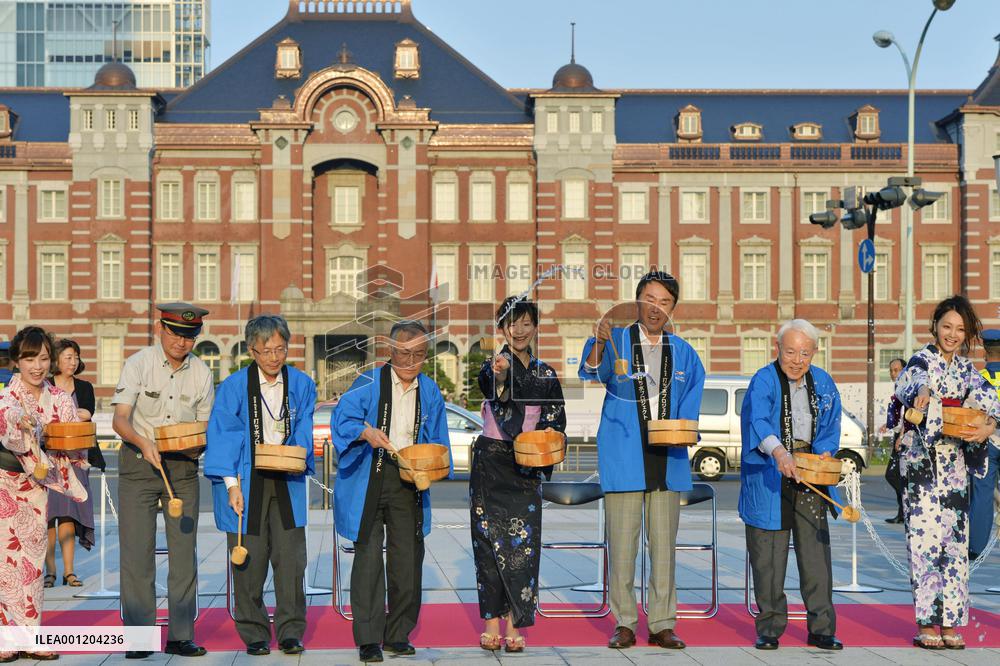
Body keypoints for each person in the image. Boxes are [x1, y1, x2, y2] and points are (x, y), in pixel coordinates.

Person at [578, 271, 705, 651]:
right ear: (637, 302)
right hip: (624, 455)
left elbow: (692, 399)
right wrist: (599, 342)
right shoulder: (616, 339)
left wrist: (681, 430)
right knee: (622, 546)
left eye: (665, 302)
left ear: (673, 309)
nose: (656, 308)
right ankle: (625, 623)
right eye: (650, 299)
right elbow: (589, 371)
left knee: (663, 546)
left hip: (667, 457)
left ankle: (663, 623)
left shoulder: (684, 352)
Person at [331, 320, 451, 664]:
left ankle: (398, 635)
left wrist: (434, 462)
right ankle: (369, 639)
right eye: (403, 353)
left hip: (407, 480)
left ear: (426, 356)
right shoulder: (368, 382)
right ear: (390, 351)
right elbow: (344, 418)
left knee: (407, 561)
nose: (410, 361)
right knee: (368, 561)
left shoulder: (429, 390)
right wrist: (364, 433)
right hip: (369, 477)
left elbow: (438, 439)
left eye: (418, 355)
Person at [205, 315, 316, 656]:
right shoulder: (235, 387)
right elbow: (223, 435)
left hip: (287, 478)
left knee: (291, 560)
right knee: (248, 561)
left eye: (280, 348)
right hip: (246, 479)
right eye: (266, 350)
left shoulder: (301, 383)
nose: (274, 356)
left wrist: (294, 456)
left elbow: (305, 426)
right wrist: (230, 485)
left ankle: (290, 630)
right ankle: (253, 632)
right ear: (251, 350)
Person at [895, 296, 1000, 649]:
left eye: (959, 329)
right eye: (947, 327)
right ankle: (927, 622)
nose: (952, 335)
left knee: (954, 545)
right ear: (935, 327)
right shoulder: (920, 360)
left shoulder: (968, 370)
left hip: (954, 464)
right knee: (924, 544)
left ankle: (951, 622)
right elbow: (914, 382)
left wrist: (988, 426)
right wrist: (923, 393)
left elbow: (990, 399)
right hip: (923, 464)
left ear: (967, 333)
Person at [112, 303, 215, 659]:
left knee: (184, 554)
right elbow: (121, 419)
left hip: (182, 469)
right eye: (175, 333)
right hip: (139, 464)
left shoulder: (202, 373)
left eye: (189, 336)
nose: (181, 342)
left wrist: (194, 446)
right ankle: (139, 638)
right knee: (137, 553)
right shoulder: (138, 363)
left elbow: (204, 427)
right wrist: (143, 442)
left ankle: (181, 635)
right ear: (161, 329)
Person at [739, 319, 844, 652]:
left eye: (805, 353)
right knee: (767, 556)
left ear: (814, 353)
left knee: (816, 556)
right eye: (790, 351)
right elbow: (758, 421)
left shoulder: (824, 383)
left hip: (809, 473)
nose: (797, 360)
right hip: (771, 471)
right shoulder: (763, 380)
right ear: (777, 348)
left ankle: (822, 628)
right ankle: (769, 628)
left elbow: (831, 425)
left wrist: (823, 454)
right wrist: (780, 452)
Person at [472, 298, 566, 653]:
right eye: (513, 324)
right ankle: (491, 623)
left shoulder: (546, 374)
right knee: (488, 546)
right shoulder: (492, 364)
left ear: (536, 327)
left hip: (527, 463)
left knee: (522, 548)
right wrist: (499, 374)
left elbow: (556, 420)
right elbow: (490, 384)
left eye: (527, 323)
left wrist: (546, 443)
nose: (521, 330)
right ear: (502, 328)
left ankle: (513, 623)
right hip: (491, 462)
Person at [0, 326, 90, 662]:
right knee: (6, 560)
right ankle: (8, 638)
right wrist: (25, 424)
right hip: (6, 481)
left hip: (38, 485)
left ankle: (33, 636)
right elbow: (8, 422)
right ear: (17, 362)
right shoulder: (7, 398)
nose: (37, 366)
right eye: (29, 359)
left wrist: (78, 430)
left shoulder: (61, 398)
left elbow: (71, 441)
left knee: (34, 561)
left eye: (42, 358)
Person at [46, 339, 104, 589]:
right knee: (47, 517)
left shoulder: (84, 386)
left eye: (76, 357)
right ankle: (49, 571)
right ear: (56, 360)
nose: (73, 361)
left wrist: (62, 416)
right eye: (68, 357)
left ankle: (69, 571)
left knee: (69, 514)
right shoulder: (45, 385)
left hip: (77, 458)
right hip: (47, 458)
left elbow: (87, 414)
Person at [969, 328, 1000, 561]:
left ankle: (976, 548)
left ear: (985, 350)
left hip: (987, 441)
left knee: (982, 493)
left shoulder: (979, 378)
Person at [883, 357, 907, 524]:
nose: (893, 373)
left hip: (904, 438)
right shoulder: (899, 386)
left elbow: (911, 413)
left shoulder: (907, 386)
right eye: (891, 370)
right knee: (897, 475)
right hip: (898, 435)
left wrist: (901, 436)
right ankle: (902, 513)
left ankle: (909, 503)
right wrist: (889, 424)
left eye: (897, 370)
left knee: (892, 475)